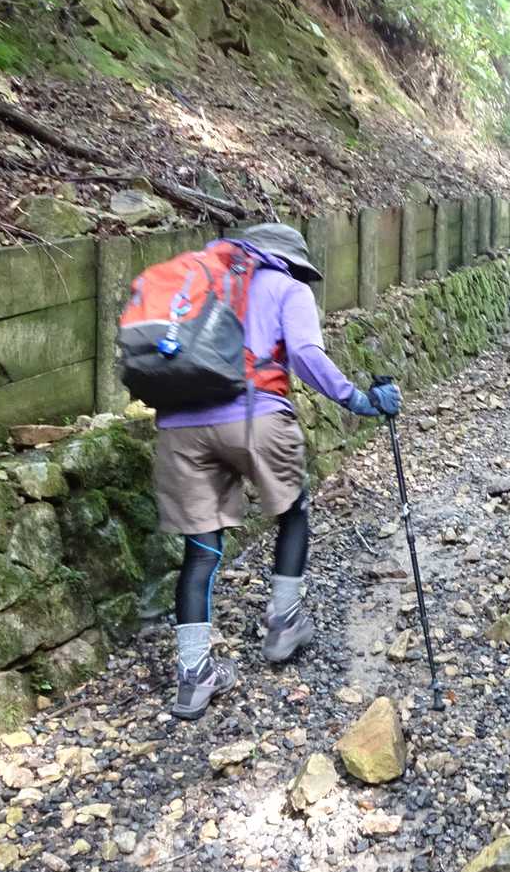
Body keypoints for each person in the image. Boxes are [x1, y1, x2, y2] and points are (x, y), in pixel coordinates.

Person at [151, 223, 401, 720]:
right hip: (255, 417)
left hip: (180, 424)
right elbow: (305, 354)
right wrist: (357, 399)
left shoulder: (194, 285)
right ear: (287, 261)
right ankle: (284, 624)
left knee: (201, 551)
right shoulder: (288, 288)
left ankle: (193, 676)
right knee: (293, 510)